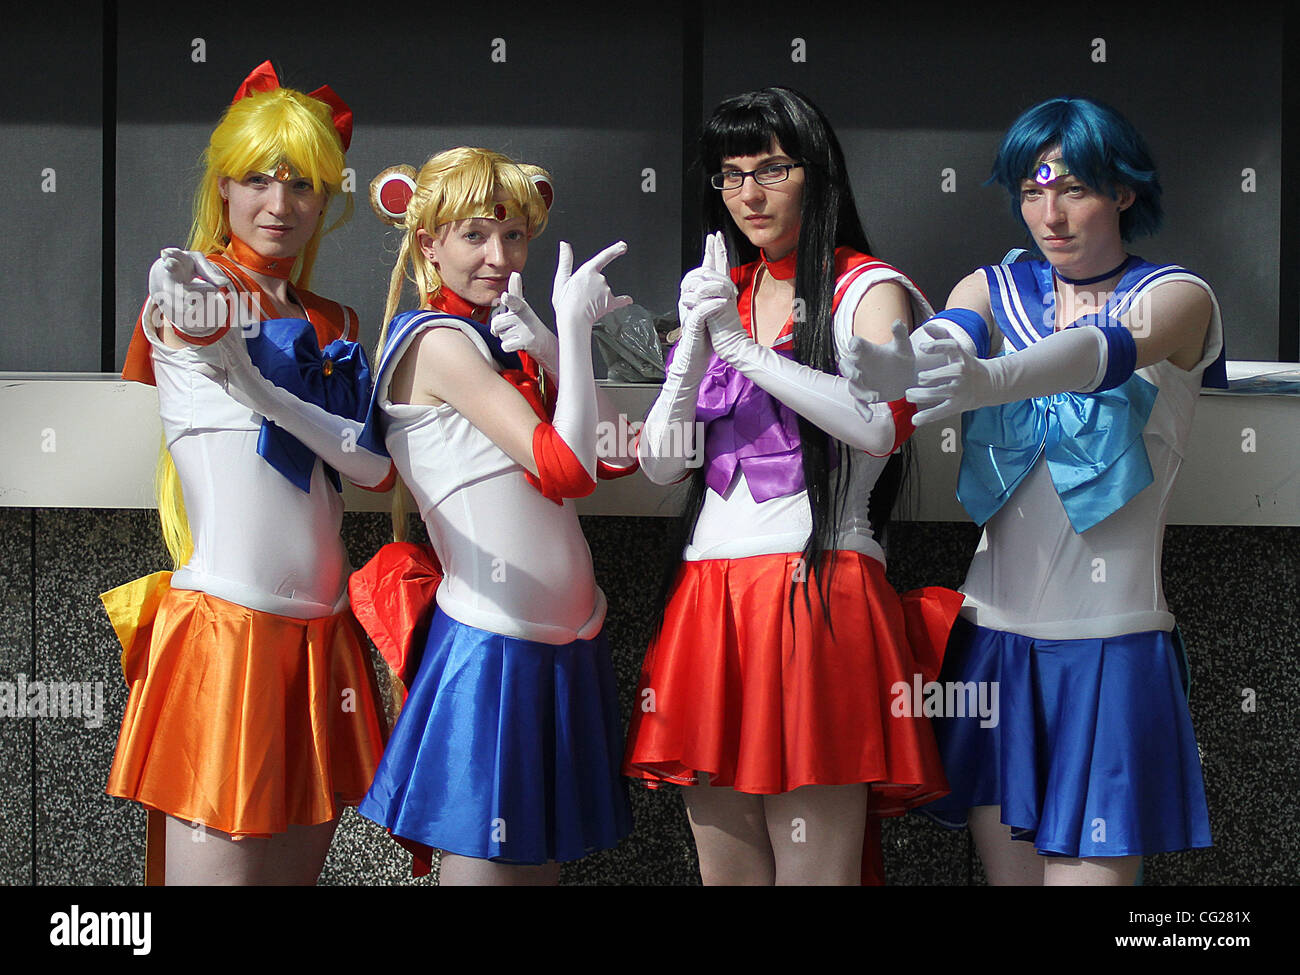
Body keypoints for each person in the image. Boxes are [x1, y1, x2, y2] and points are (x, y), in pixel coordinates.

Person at [622, 87, 962, 885]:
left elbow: (881, 423)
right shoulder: (725, 287)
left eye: (772, 167)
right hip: (710, 598)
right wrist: (693, 350)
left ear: (818, 174)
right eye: (731, 174)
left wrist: (743, 350)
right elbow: (663, 463)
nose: (749, 192)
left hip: (821, 593)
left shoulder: (868, 287)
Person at [894, 96, 1221, 885]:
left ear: (1125, 190)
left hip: (1112, 641)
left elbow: (1099, 352)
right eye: (1033, 192)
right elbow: (954, 337)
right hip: (995, 639)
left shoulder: (1181, 297)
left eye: (1074, 188)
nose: (1051, 213)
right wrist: (911, 356)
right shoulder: (993, 284)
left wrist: (988, 378)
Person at [103, 61, 393, 885]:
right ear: (223, 189)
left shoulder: (335, 322)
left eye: (302, 183)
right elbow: (184, 295)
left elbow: (371, 467)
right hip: (228, 636)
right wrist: (182, 281)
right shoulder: (198, 293)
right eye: (258, 179)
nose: (280, 202)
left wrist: (267, 388)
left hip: (322, 639)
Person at [351, 147, 636, 886]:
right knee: (489, 867)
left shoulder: (502, 338)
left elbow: (614, 454)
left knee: (533, 872)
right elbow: (567, 469)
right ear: (428, 242)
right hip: (492, 646)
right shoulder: (437, 341)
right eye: (474, 235)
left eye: (513, 237)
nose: (498, 255)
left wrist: (548, 342)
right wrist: (570, 334)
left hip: (563, 644)